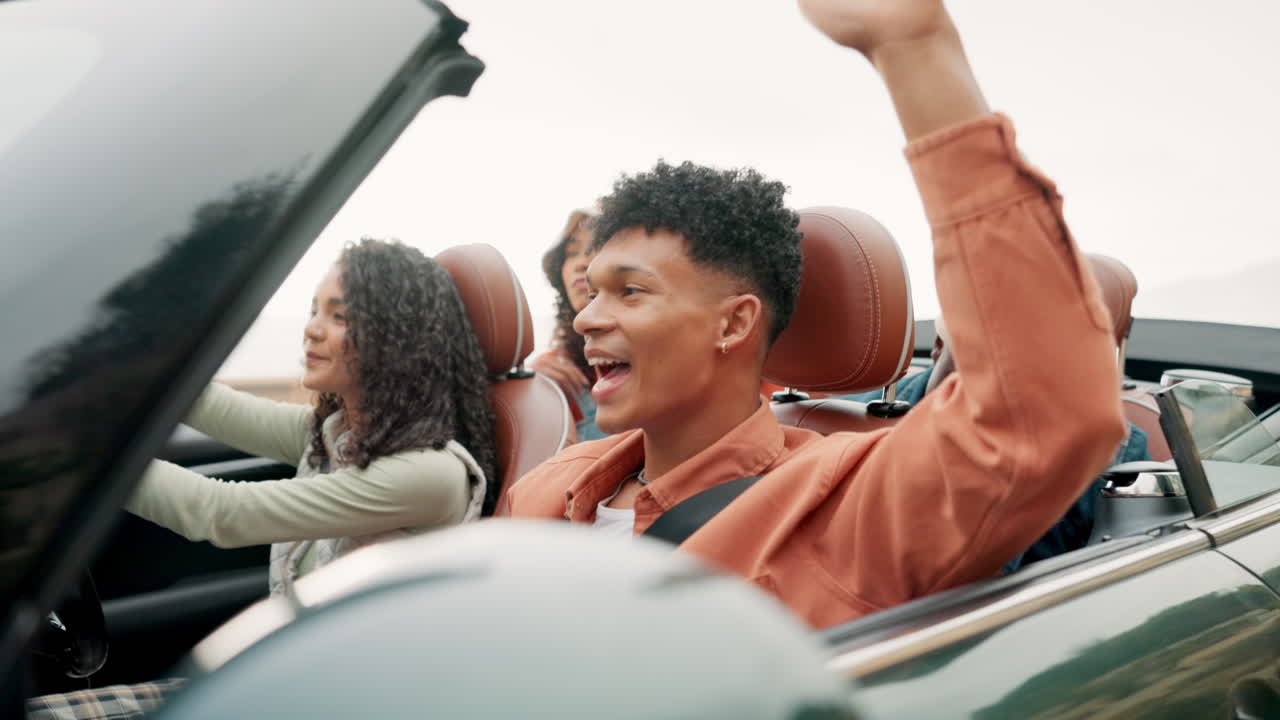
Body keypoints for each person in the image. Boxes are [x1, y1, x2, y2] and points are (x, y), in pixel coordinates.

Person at [506, 0, 1127, 629]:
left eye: (631, 292)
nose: (586, 319)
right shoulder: (546, 489)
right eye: (593, 292)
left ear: (734, 323)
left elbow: (1042, 415)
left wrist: (916, 49)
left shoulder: (842, 506)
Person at [26, 239, 499, 719]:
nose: (312, 329)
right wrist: (115, 358)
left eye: (340, 316)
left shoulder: (429, 472)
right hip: (299, 681)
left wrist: (74, 451)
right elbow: (217, 408)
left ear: (399, 338)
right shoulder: (342, 434)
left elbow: (221, 513)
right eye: (314, 310)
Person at [529, 206, 609, 441]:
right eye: (572, 253)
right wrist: (537, 386)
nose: (580, 263)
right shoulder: (553, 373)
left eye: (595, 247)